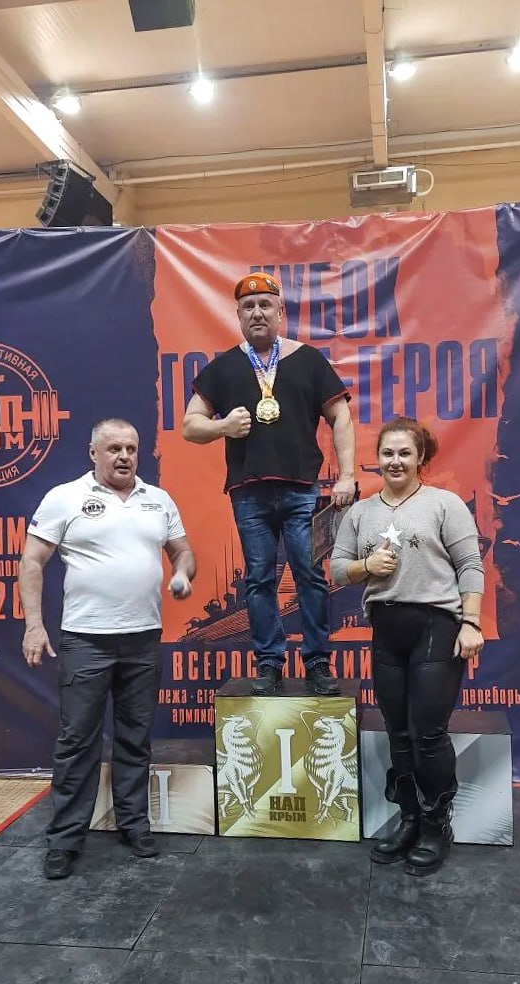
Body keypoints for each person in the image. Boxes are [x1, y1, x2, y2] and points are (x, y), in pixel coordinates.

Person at [18, 418, 195, 880]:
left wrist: (182, 572)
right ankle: (64, 839)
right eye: (114, 448)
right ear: (93, 453)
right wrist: (34, 625)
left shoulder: (158, 500)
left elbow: (183, 551)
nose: (124, 456)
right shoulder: (65, 497)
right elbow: (32, 561)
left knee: (135, 738)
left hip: (143, 638)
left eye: (131, 449)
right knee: (77, 742)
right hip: (86, 641)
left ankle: (134, 826)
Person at [182, 272, 355, 696]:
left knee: (310, 576)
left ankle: (317, 662)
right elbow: (190, 425)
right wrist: (223, 426)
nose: (257, 313)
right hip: (249, 491)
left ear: (280, 312)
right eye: (248, 307)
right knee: (258, 579)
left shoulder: (308, 360)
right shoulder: (225, 367)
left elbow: (341, 417)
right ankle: (269, 663)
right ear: (238, 315)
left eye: (265, 305)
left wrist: (348, 475)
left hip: (301, 489)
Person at [330, 417, 484, 875]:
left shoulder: (444, 504)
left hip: (436, 626)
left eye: (404, 453)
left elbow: (471, 565)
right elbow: (337, 570)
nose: (395, 461)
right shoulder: (360, 513)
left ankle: (436, 825)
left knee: (427, 733)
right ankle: (410, 817)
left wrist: (471, 622)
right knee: (397, 732)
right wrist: (366, 566)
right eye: (387, 453)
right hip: (387, 628)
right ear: (376, 459)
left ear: (420, 459)